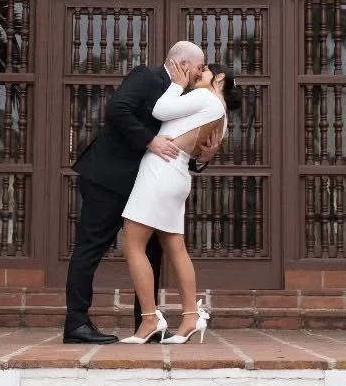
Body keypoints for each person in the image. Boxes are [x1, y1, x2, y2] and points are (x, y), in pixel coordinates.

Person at [63, 40, 217, 345]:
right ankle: (76, 324)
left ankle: (147, 323)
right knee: (90, 248)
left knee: (153, 255)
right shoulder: (145, 76)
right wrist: (150, 141)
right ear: (184, 64)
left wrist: (202, 160)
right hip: (109, 180)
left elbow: (179, 145)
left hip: (147, 186)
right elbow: (116, 110)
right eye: (200, 66)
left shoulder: (186, 96)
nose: (202, 73)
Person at [119, 65, 243, 344]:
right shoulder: (221, 114)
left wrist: (176, 84)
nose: (196, 75)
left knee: (133, 244)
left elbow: (160, 111)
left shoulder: (206, 97)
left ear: (219, 78)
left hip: (160, 171)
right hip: (178, 174)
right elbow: (199, 151)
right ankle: (190, 317)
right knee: (175, 246)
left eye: (204, 70)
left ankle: (150, 318)